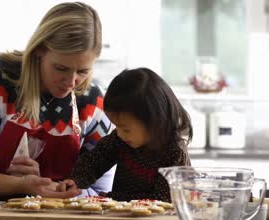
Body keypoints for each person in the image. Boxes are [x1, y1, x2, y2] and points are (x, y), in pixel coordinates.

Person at [0, 2, 114, 200]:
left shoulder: (93, 104)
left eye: (83, 71)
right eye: (61, 68)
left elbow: (101, 193)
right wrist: (19, 185)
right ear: (39, 50)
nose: (71, 82)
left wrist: (53, 188)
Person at [58, 67, 193, 202]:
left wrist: (112, 198)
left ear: (154, 122)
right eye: (117, 127)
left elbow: (163, 199)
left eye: (126, 129)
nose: (120, 134)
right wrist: (75, 181)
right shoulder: (120, 139)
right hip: (124, 215)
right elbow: (94, 161)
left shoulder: (174, 152)